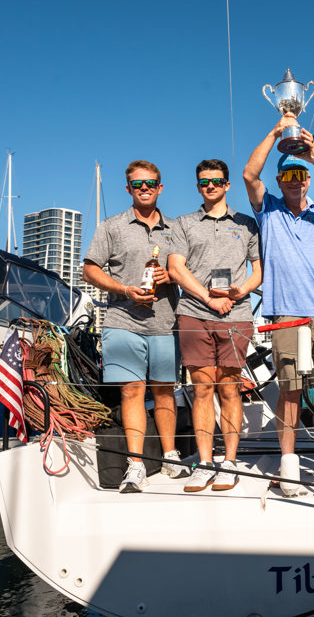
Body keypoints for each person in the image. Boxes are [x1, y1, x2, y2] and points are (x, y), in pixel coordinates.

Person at [242, 113, 314, 493]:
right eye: (287, 176)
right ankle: (288, 465)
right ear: (279, 181)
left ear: (307, 179)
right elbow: (248, 176)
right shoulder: (268, 209)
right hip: (287, 315)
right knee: (289, 390)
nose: (295, 181)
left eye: (299, 175)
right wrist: (276, 132)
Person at [83, 159, 183, 493]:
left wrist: (169, 275)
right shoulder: (111, 226)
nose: (144, 189)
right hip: (122, 321)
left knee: (165, 390)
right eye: (138, 184)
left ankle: (170, 458)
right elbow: (90, 270)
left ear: (160, 187)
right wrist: (124, 289)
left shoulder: (175, 228)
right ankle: (136, 465)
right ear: (128, 188)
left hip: (166, 323)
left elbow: (185, 269)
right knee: (131, 392)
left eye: (150, 183)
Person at [168, 158, 261, 493]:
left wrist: (242, 291)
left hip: (236, 314)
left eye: (217, 181)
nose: (211, 186)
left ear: (227, 184)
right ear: (198, 186)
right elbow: (176, 269)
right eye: (205, 181)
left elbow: (259, 270)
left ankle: (230, 462)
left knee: (230, 387)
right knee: (202, 389)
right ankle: (205, 463)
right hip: (194, 312)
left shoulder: (247, 224)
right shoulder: (183, 223)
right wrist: (209, 299)